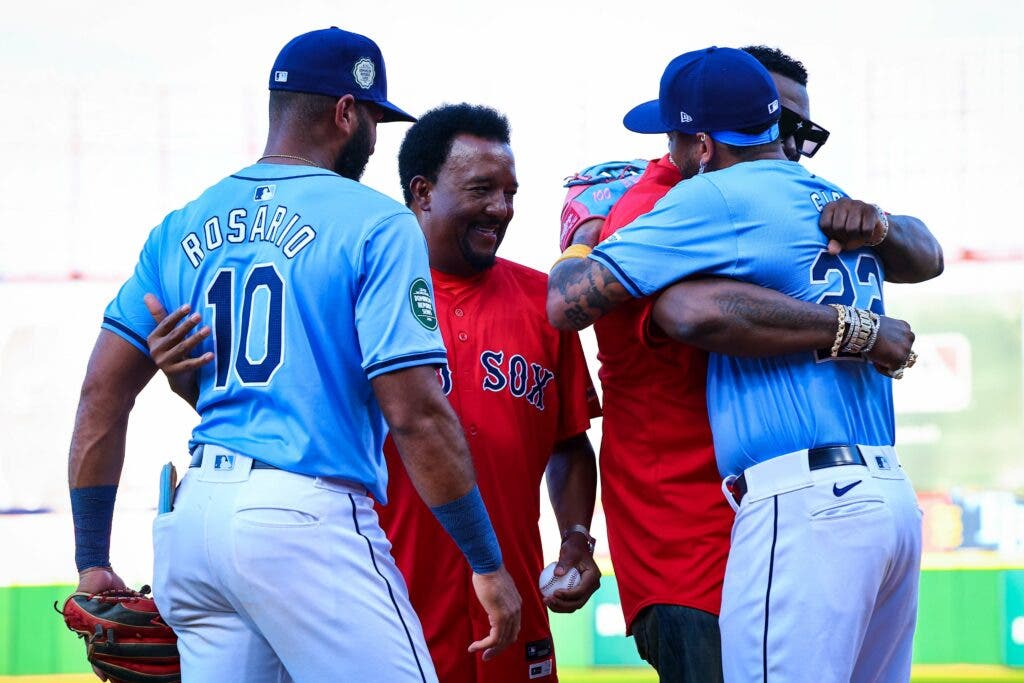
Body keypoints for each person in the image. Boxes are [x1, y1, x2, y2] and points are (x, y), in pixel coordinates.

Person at [66, 27, 520, 683]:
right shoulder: (376, 221)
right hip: (304, 520)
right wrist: (485, 560)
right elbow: (417, 413)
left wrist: (91, 557)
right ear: (345, 112)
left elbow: (101, 394)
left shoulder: (183, 224)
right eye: (372, 118)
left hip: (194, 525)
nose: (373, 136)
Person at [147, 102, 604, 683]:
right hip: (377, 604)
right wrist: (186, 377)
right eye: (482, 188)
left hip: (510, 609)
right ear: (422, 192)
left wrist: (576, 537)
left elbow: (568, 443)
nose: (502, 208)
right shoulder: (357, 288)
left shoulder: (544, 303)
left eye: (511, 191)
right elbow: (275, 420)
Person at [557, 46, 942, 681]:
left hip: (795, 503)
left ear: (701, 144)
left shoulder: (709, 196)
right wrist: (860, 326)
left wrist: (579, 244)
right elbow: (927, 257)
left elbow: (579, 305)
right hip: (880, 498)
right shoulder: (821, 193)